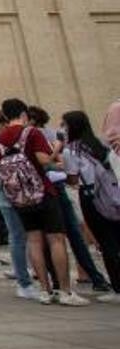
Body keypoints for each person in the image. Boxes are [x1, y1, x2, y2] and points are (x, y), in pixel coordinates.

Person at [0, 98, 88, 306]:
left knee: (33, 241)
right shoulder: (31, 132)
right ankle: (64, 291)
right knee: (56, 240)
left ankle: (44, 291)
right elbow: (44, 161)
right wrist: (57, 148)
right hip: (43, 192)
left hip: (20, 198)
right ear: (24, 114)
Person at [30, 105, 109, 292]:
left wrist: (56, 155)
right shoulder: (56, 136)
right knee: (74, 235)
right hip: (66, 187)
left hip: (49, 188)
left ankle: (57, 283)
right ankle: (92, 276)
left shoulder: (38, 136)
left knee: (51, 238)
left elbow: (48, 163)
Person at [61, 111, 120, 302]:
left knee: (106, 242)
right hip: (114, 194)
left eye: (65, 125)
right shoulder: (102, 144)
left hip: (91, 196)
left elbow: (72, 178)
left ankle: (117, 286)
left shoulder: (71, 150)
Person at [0, 110, 37, 298]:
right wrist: (11, 163)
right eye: (5, 123)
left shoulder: (19, 138)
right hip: (6, 196)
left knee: (33, 236)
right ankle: (23, 280)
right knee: (17, 236)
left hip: (29, 194)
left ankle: (35, 271)